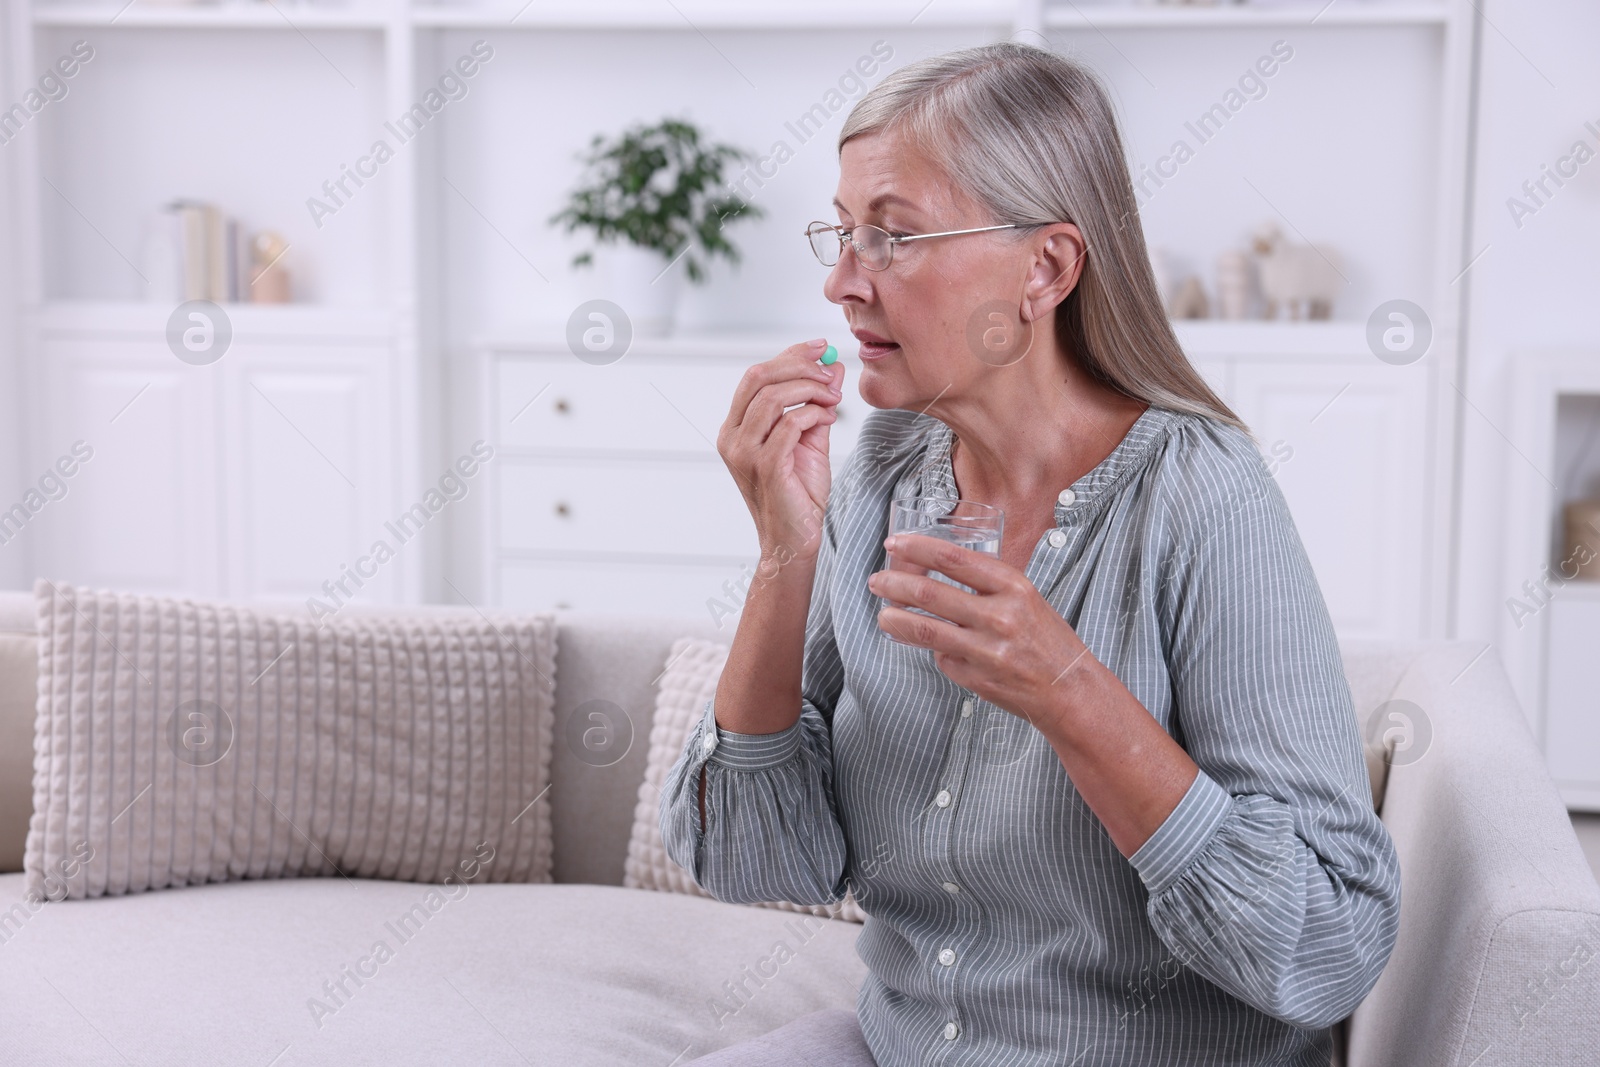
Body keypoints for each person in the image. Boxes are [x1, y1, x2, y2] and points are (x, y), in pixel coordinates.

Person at [661, 40, 1399, 1067]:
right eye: (839, 234)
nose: (839, 281)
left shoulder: (1201, 496)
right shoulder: (881, 473)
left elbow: (1327, 945)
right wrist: (784, 550)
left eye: (890, 236)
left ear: (1044, 267)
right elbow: (762, 857)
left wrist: (1071, 692)